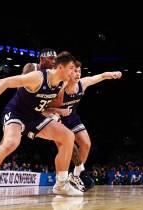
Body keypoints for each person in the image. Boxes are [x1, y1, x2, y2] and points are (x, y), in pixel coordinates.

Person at [0, 51, 83, 198]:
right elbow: (3, 82)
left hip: (35, 117)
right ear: (61, 67)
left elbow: (44, 105)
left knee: (68, 136)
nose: (73, 72)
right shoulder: (38, 76)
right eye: (71, 68)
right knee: (11, 143)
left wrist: (56, 110)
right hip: (16, 113)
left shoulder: (62, 83)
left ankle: (61, 184)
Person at [45, 60, 122, 191]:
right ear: (68, 72)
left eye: (79, 71)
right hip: (56, 117)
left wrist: (113, 74)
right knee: (67, 149)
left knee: (86, 144)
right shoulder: (59, 87)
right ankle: (60, 181)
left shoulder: (82, 83)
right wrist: (57, 112)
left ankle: (75, 176)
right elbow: (45, 108)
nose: (77, 74)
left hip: (72, 117)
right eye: (74, 71)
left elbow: (101, 76)